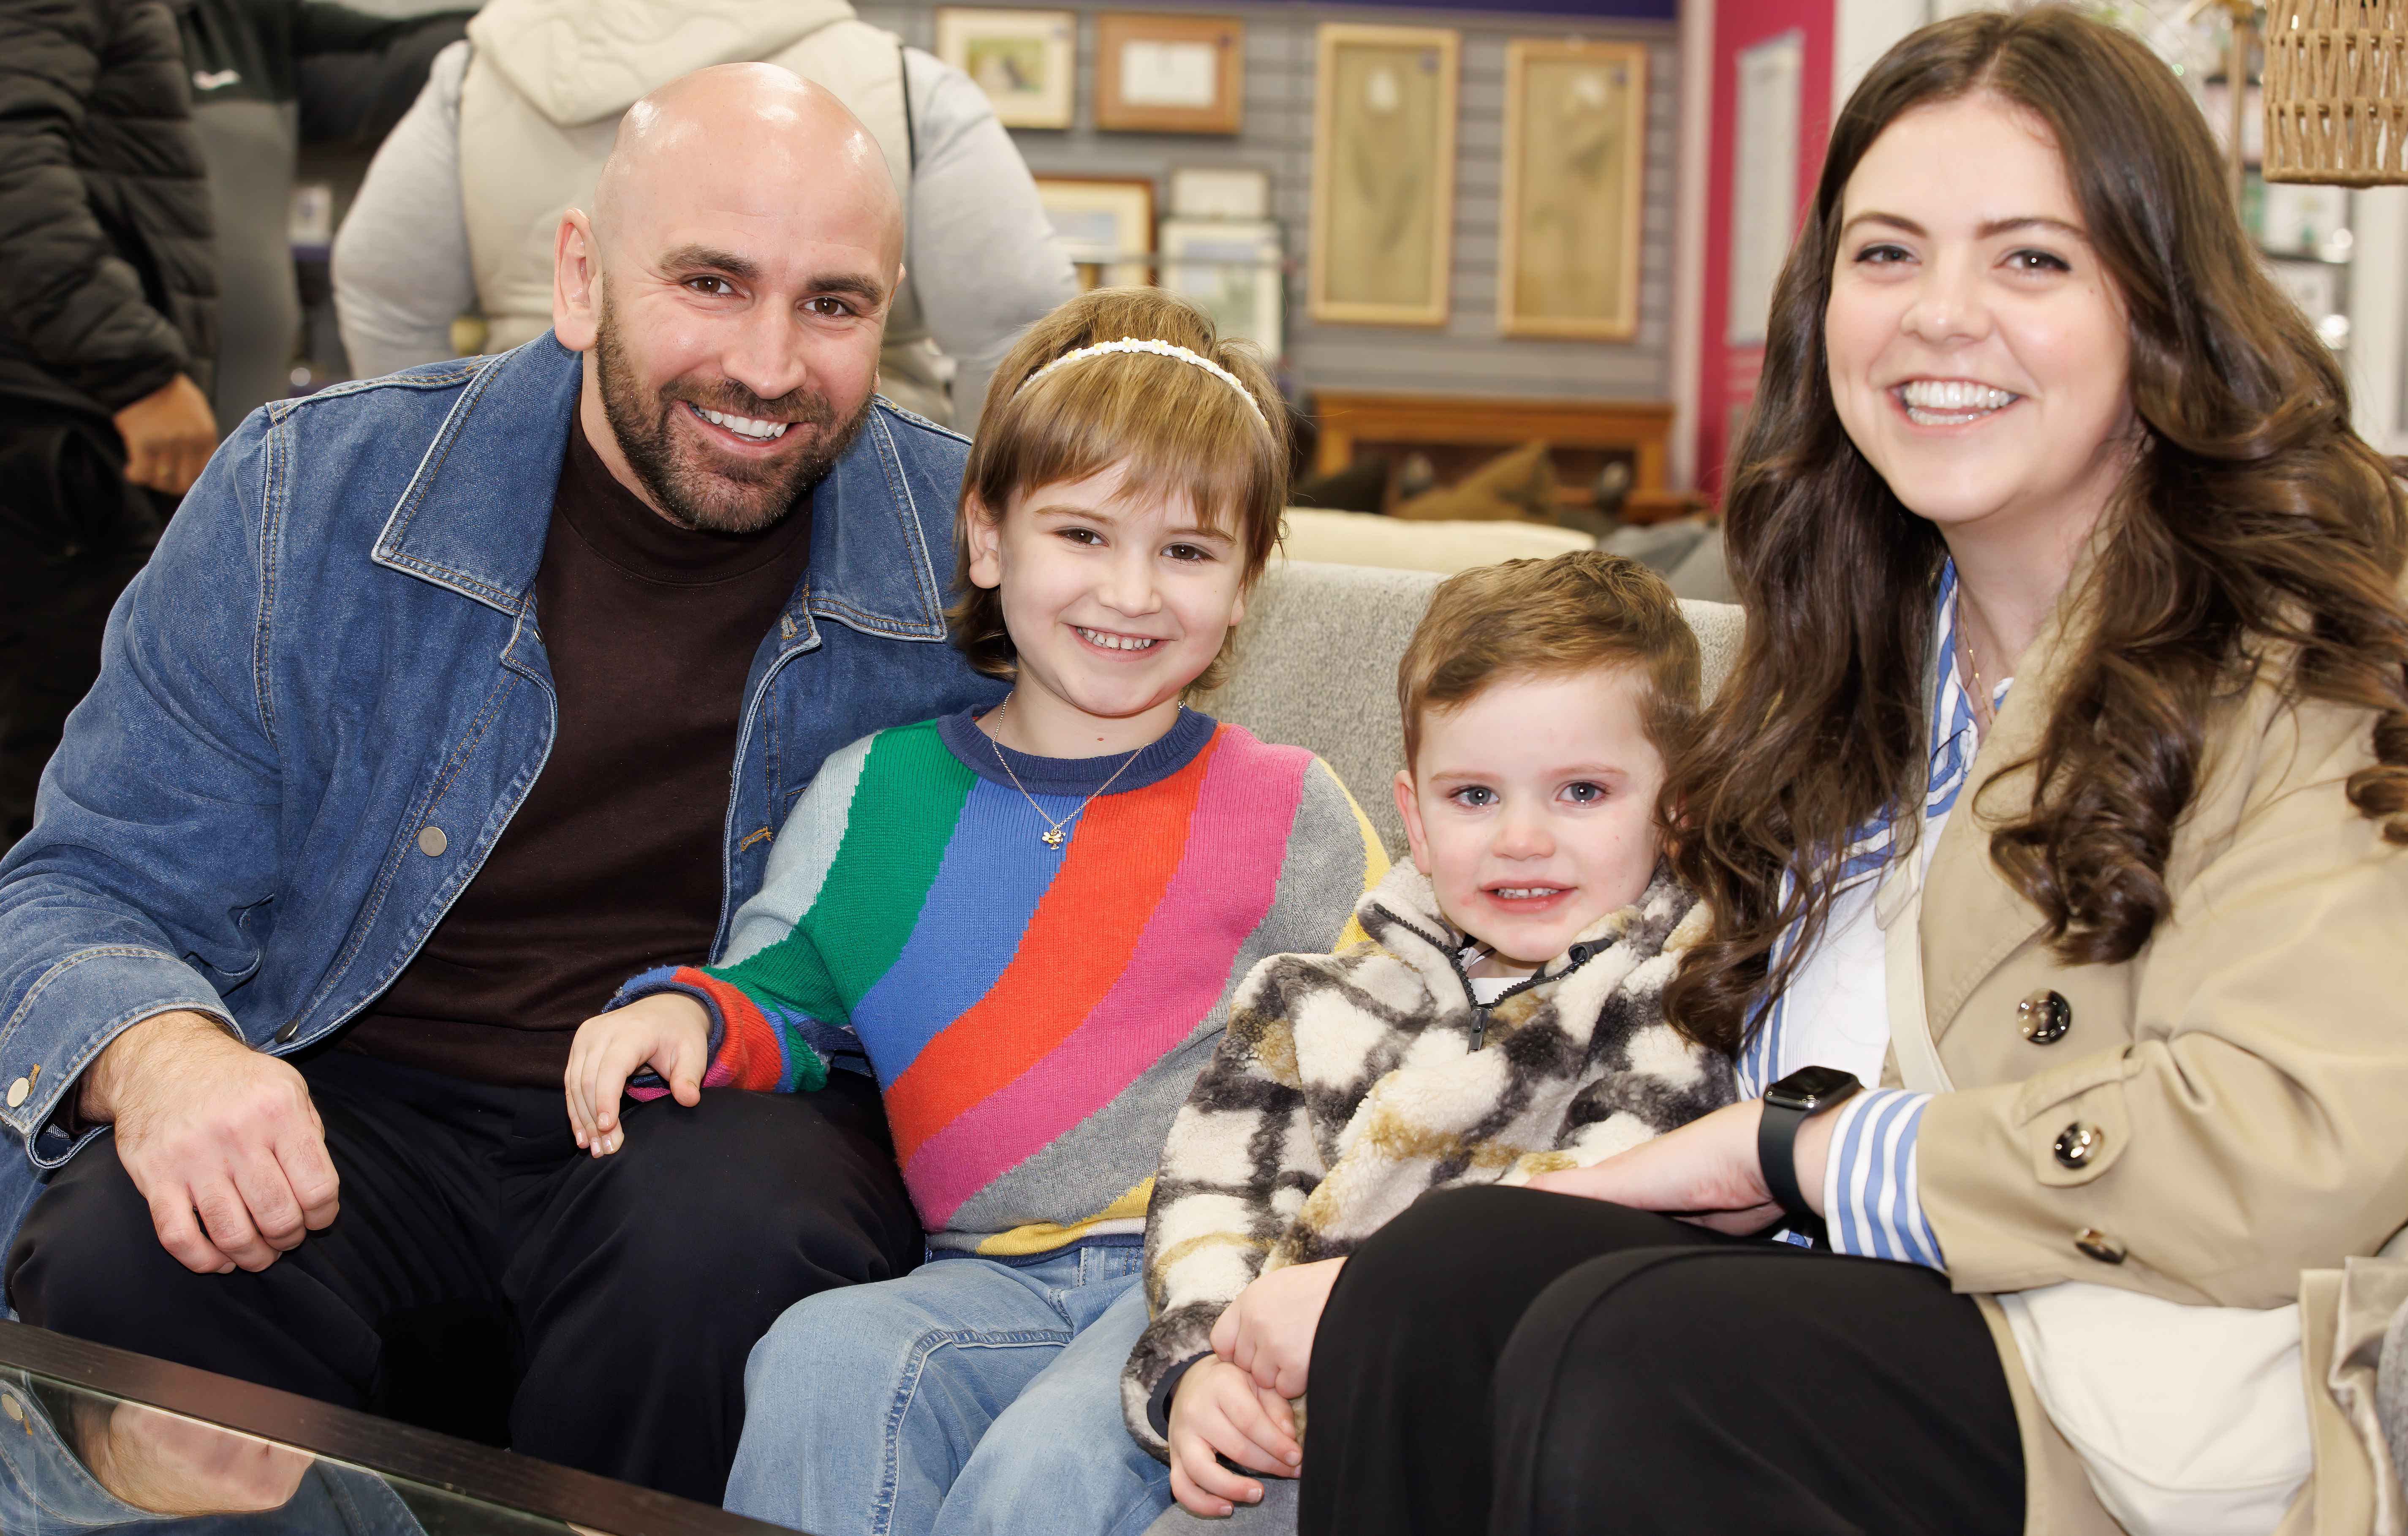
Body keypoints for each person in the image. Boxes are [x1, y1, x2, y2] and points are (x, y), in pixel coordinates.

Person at [1293, 10, 2408, 1536]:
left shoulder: (2291, 665)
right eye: (1886, 255)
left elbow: (2299, 1139)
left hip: (2112, 1386)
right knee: (1436, 1276)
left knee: (1636, 1361)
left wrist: (1802, 1152)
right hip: (1831, 1313)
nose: (1941, 316)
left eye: (2030, 258)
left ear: (2155, 303)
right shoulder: (1837, 654)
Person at [1, 64, 1005, 1502]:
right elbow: (81, 882)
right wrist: (164, 1055)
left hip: (714, 1110)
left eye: (832, 303)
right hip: (342, 1086)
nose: (772, 365)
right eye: (712, 282)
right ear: (582, 279)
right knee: (134, 1242)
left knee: (733, 1233)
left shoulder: (965, 564)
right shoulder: (309, 494)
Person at [563, 287, 1389, 1536]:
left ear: (1245, 582)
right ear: (988, 539)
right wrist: (687, 1016)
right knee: (820, 1361)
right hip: (973, 1283)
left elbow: (1411, 1036)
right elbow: (782, 993)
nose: (1131, 592)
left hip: (1206, 1280)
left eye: (1186, 551)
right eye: (1081, 534)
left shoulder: (1290, 807)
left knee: (1045, 1475)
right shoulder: (875, 793)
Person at [1126, 552, 1737, 1530]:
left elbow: (1616, 1193)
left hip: (1480, 1426)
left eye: (1581, 791)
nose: (1521, 839)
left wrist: (1368, 1302)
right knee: (1059, 1480)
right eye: (1474, 796)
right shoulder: (1307, 998)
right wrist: (1199, 1363)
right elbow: (1211, 1193)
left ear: (1678, 804)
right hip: (1270, 1403)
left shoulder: (1675, 986)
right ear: (1410, 812)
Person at [332, 0, 1077, 428]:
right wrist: (973, 516)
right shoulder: (906, 87)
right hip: (837, 497)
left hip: (550, 488)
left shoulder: (472, 80)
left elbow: (383, 289)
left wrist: (462, 479)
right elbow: (1022, 321)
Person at [0, 0, 219, 850]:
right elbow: (10, 161)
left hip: (58, 417)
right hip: (64, 429)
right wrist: (136, 372)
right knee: (61, 783)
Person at [178, 0, 473, 430]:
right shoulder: (71, 24)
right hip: (117, 398)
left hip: (239, 410)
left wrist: (513, 24)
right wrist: (140, 384)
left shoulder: (246, 21)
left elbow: (402, 53)